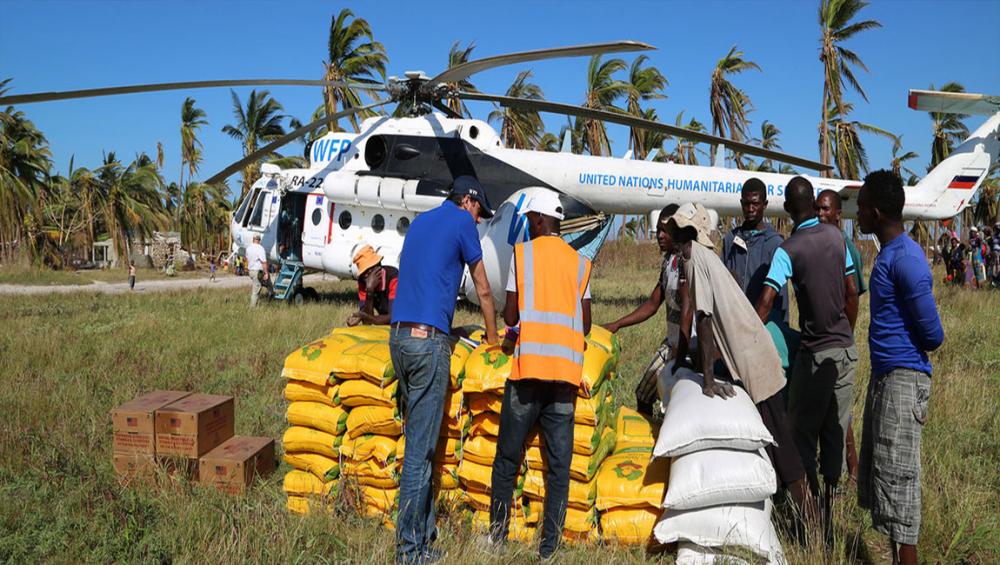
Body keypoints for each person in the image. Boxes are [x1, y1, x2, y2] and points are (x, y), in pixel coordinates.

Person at [667, 203, 816, 526]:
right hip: (749, 353)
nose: (671, 235)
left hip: (754, 358)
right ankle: (792, 512)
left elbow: (704, 319)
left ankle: (812, 521)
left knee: (780, 441)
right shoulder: (700, 258)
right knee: (774, 436)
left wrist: (707, 380)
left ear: (690, 233)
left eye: (677, 229)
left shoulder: (695, 258)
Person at [391, 175, 499, 564]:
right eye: (479, 214)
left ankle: (425, 538)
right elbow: (484, 290)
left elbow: (421, 281)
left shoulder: (421, 222)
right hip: (426, 347)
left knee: (420, 444)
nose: (478, 221)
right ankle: (409, 553)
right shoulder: (460, 223)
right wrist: (492, 338)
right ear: (469, 202)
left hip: (399, 340)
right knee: (421, 455)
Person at [488, 190, 592, 560]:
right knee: (559, 467)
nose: (528, 225)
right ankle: (549, 547)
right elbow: (588, 323)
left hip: (528, 373)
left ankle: (497, 536)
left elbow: (511, 317)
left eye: (531, 219)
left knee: (507, 458)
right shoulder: (580, 262)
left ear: (541, 220)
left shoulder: (523, 255)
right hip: (564, 378)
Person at [755, 179, 859, 534]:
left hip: (814, 353)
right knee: (836, 425)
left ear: (786, 210)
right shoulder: (836, 237)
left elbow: (767, 302)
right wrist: (844, 330)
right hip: (844, 349)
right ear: (815, 204)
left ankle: (810, 514)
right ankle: (831, 503)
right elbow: (851, 291)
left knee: (800, 430)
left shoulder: (788, 249)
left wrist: (745, 336)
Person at [856, 170, 944, 565]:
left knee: (900, 484)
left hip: (903, 380)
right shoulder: (890, 255)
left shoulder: (906, 260)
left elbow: (933, 333)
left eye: (860, 208)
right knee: (886, 480)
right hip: (886, 377)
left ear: (875, 212)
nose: (855, 214)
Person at [602, 204, 691, 417]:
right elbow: (653, 303)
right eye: (657, 230)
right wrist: (617, 324)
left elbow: (689, 310)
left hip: (687, 347)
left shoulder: (686, 263)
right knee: (644, 394)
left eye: (664, 230)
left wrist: (681, 357)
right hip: (672, 344)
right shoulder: (669, 261)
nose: (658, 235)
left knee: (664, 400)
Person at [816, 189, 866, 482]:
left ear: (838, 214)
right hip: (821, 340)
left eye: (825, 210)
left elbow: (853, 297)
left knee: (838, 409)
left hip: (838, 340)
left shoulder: (846, 248)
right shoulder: (817, 242)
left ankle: (849, 468)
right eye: (817, 210)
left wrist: (842, 334)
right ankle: (849, 464)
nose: (820, 215)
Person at [722, 178, 788, 324]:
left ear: (764, 205)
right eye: (747, 204)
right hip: (733, 323)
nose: (750, 209)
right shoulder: (730, 240)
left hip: (764, 328)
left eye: (755, 204)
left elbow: (781, 298)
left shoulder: (775, 244)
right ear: (741, 204)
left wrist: (781, 330)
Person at [347, 244, 399, 326]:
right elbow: (367, 323)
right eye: (363, 273)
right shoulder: (363, 281)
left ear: (378, 267)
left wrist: (366, 317)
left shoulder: (393, 277)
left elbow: (393, 318)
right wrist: (369, 291)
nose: (366, 276)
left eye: (368, 271)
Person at [246, 234, 269, 307]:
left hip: (251, 271)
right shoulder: (260, 248)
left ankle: (257, 305)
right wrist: (266, 273)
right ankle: (252, 308)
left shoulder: (248, 248)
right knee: (255, 291)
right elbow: (264, 262)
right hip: (257, 272)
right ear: (259, 240)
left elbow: (247, 258)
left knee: (258, 287)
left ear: (253, 239)